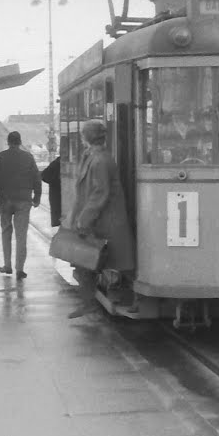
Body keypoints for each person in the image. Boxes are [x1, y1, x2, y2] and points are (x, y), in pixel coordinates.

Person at [67, 119, 135, 319]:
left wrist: (83, 219)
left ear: (87, 137)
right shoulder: (93, 156)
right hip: (100, 220)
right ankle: (89, 302)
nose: (81, 138)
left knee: (91, 262)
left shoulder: (100, 160)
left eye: (82, 134)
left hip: (106, 221)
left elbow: (100, 192)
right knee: (87, 263)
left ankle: (92, 303)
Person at [0, 131, 41, 280]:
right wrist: (36, 197)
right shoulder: (28, 157)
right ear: (20, 142)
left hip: (5, 200)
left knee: (6, 232)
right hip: (23, 200)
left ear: (8, 142)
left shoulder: (0, 157)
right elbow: (37, 178)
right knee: (21, 235)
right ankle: (20, 269)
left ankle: (7, 265)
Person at [41, 155, 61, 227]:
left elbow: (44, 175)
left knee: (56, 215)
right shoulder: (56, 163)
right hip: (57, 193)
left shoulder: (55, 163)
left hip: (55, 193)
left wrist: (53, 181)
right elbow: (44, 175)